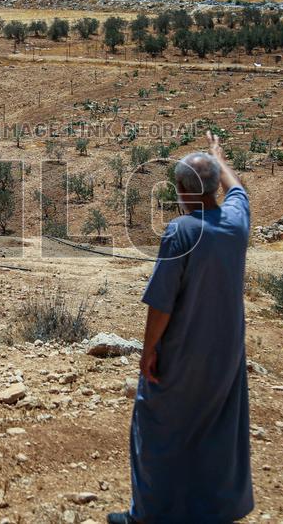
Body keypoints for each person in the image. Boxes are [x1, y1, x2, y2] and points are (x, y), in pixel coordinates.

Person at [108, 132, 254, 524]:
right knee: (217, 428)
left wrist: (148, 351)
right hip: (226, 352)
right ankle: (216, 510)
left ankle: (148, 515)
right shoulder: (237, 222)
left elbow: (161, 305)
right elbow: (237, 188)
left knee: (156, 427)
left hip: (183, 353)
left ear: (181, 190)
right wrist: (217, 156)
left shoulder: (182, 232)